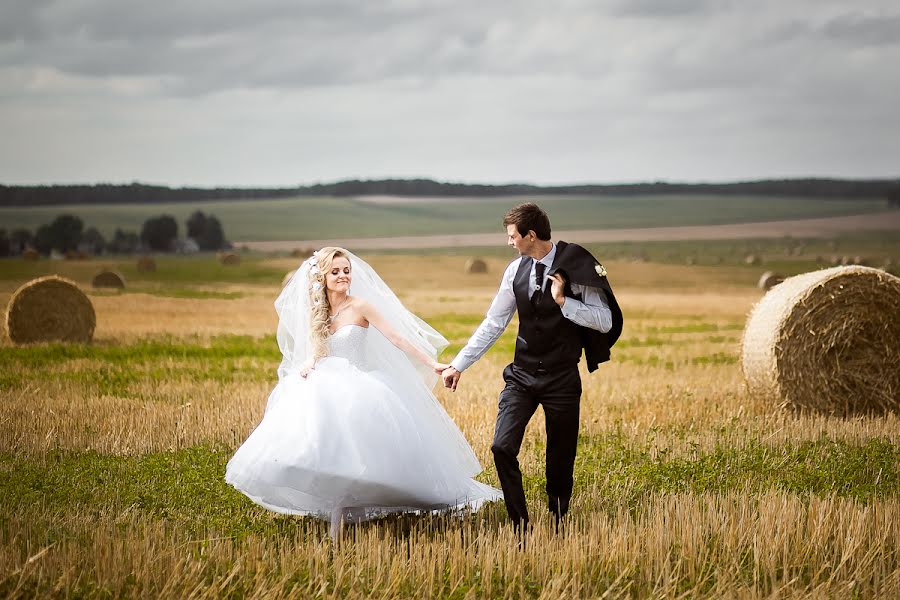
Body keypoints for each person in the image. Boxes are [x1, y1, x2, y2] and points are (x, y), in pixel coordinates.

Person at [226, 247, 501, 539]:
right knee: (317, 444)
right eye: (336, 271)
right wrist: (308, 365)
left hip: (356, 386)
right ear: (322, 277)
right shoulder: (318, 312)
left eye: (346, 271)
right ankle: (332, 506)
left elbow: (397, 337)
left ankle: (347, 511)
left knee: (359, 452)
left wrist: (432, 363)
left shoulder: (360, 306)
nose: (343, 276)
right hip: (324, 383)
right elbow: (317, 349)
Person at [442, 203, 622, 532]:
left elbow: (604, 320)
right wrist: (459, 364)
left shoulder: (576, 267)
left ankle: (557, 521)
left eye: (513, 236)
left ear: (531, 235)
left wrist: (564, 301)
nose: (510, 242)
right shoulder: (515, 271)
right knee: (501, 446)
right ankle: (520, 524)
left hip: (562, 378)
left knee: (560, 458)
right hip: (521, 376)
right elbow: (494, 323)